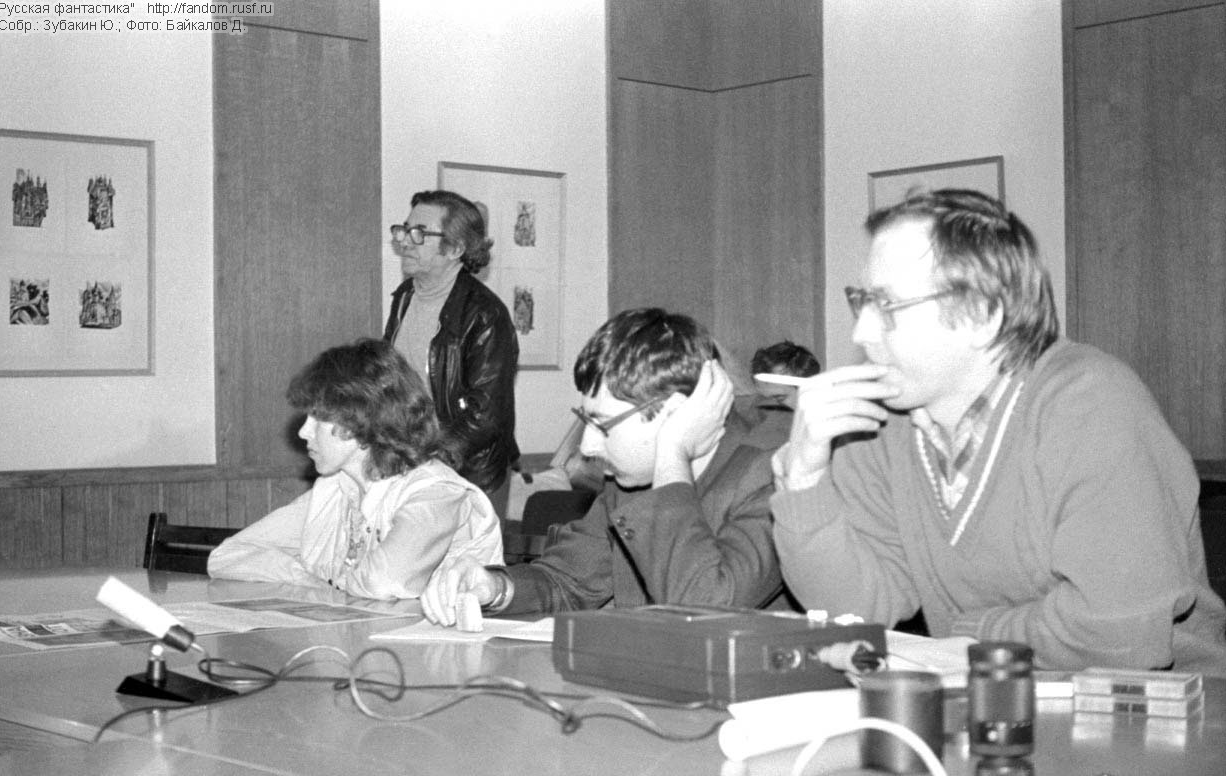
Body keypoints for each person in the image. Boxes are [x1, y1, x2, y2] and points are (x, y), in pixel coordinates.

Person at [771, 188, 1226, 674]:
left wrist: (967, 638)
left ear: (982, 316)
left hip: (1157, 709)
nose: (860, 333)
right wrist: (803, 480)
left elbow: (1118, 637)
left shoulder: (1091, 403)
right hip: (988, 700)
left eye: (886, 304)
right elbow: (854, 614)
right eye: (860, 300)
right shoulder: (879, 428)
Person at [420, 307, 784, 625]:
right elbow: (567, 581)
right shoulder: (627, 481)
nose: (588, 446)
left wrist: (671, 454)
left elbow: (702, 609)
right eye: (586, 421)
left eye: (603, 425)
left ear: (675, 414)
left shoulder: (774, 475)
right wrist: (495, 587)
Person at [208, 339, 502, 600]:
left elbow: (383, 583)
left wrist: (327, 581)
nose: (304, 432)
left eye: (318, 418)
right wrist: (306, 577)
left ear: (362, 422)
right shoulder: (336, 489)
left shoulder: (436, 493)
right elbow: (226, 557)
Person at [384, 189, 519, 521]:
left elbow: (486, 414)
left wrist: (430, 460)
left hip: (470, 474)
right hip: (411, 464)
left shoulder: (486, 314)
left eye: (420, 233)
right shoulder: (404, 296)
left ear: (456, 249)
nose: (405, 241)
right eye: (404, 230)